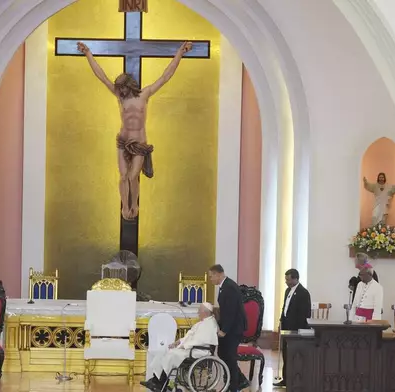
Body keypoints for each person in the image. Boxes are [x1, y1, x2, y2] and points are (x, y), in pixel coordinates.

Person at [77, 40, 193, 220]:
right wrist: (88, 54)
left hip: (139, 142)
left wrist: (180, 52)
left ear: (129, 85)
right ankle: (125, 206)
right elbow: (101, 76)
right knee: (123, 176)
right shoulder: (119, 97)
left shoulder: (144, 95)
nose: (120, 91)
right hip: (123, 141)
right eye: (119, 88)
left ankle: (135, 204)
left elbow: (165, 76)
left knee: (132, 177)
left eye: (122, 87)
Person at [141, 303, 219, 391]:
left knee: (172, 354)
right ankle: (156, 380)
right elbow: (189, 336)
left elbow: (200, 341)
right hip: (192, 348)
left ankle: (161, 382)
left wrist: (184, 346)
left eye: (199, 310)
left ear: (204, 312)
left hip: (199, 351)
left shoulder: (209, 324)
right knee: (164, 351)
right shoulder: (203, 322)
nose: (198, 312)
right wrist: (177, 342)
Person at [208, 264, 249, 391]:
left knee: (229, 356)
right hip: (230, 327)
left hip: (233, 329)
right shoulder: (224, 286)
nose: (210, 279)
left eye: (211, 276)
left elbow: (231, 311)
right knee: (223, 353)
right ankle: (240, 379)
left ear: (218, 274)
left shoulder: (229, 287)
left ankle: (234, 386)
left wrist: (224, 330)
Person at [274, 268, 311, 388]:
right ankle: (285, 379)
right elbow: (285, 308)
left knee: (293, 356)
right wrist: (281, 321)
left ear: (295, 279)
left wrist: (298, 331)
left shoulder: (303, 293)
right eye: (286, 279)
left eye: (288, 279)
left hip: (295, 329)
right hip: (286, 327)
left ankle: (295, 380)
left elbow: (305, 314)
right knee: (286, 354)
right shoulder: (287, 291)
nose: (286, 282)